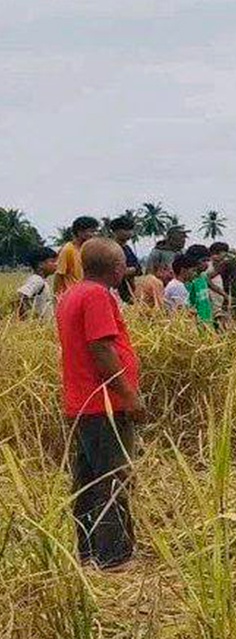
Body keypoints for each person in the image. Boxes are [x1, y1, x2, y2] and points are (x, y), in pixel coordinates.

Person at [55, 237, 142, 569]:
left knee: (88, 481)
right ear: (117, 268)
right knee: (113, 479)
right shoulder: (96, 295)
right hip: (102, 404)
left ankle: (89, 551)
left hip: (81, 402)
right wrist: (129, 396)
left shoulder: (72, 293)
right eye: (122, 263)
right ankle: (114, 556)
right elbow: (102, 350)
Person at [53, 216, 100, 296]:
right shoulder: (68, 250)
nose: (93, 235)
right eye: (91, 231)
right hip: (71, 295)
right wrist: (57, 297)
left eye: (95, 232)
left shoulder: (89, 250)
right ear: (80, 232)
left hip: (85, 294)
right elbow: (59, 275)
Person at [16, 246, 57, 319]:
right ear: (40, 264)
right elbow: (22, 295)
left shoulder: (41, 280)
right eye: (52, 261)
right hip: (39, 326)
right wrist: (24, 318)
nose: (56, 264)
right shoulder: (37, 280)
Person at [109, 216, 141, 304]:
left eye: (130, 229)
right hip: (115, 291)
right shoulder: (109, 249)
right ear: (115, 231)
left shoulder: (127, 249)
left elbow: (138, 269)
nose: (129, 232)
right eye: (125, 229)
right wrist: (127, 271)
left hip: (129, 291)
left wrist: (130, 270)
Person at [183, 245, 217, 327]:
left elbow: (207, 299)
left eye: (208, 261)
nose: (206, 264)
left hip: (208, 320)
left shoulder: (203, 277)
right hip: (196, 323)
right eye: (203, 260)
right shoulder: (188, 281)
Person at [207, 242, 230, 326]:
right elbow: (206, 280)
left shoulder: (223, 266)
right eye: (223, 255)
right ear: (214, 254)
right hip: (211, 301)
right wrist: (223, 294)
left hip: (221, 301)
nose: (225, 258)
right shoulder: (207, 266)